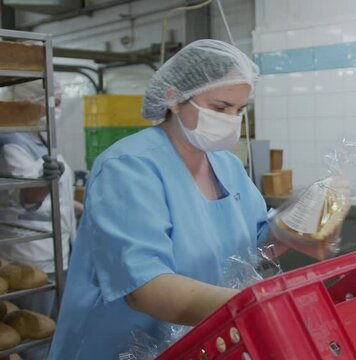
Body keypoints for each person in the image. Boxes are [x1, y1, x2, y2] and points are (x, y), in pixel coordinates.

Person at [47, 40, 284, 359]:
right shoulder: (128, 167)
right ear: (174, 98)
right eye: (220, 107)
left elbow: (254, 246)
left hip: (196, 344)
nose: (232, 119)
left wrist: (293, 230)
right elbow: (145, 290)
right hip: (119, 349)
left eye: (239, 110)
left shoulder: (226, 165)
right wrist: (250, 305)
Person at [0, 79, 80, 359]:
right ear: (32, 102)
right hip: (30, 251)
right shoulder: (13, 142)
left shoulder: (41, 137)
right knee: (34, 332)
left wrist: (82, 207)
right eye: (53, 104)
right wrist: (45, 180)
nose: (57, 110)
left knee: (56, 328)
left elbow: (57, 196)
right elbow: (28, 198)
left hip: (60, 248)